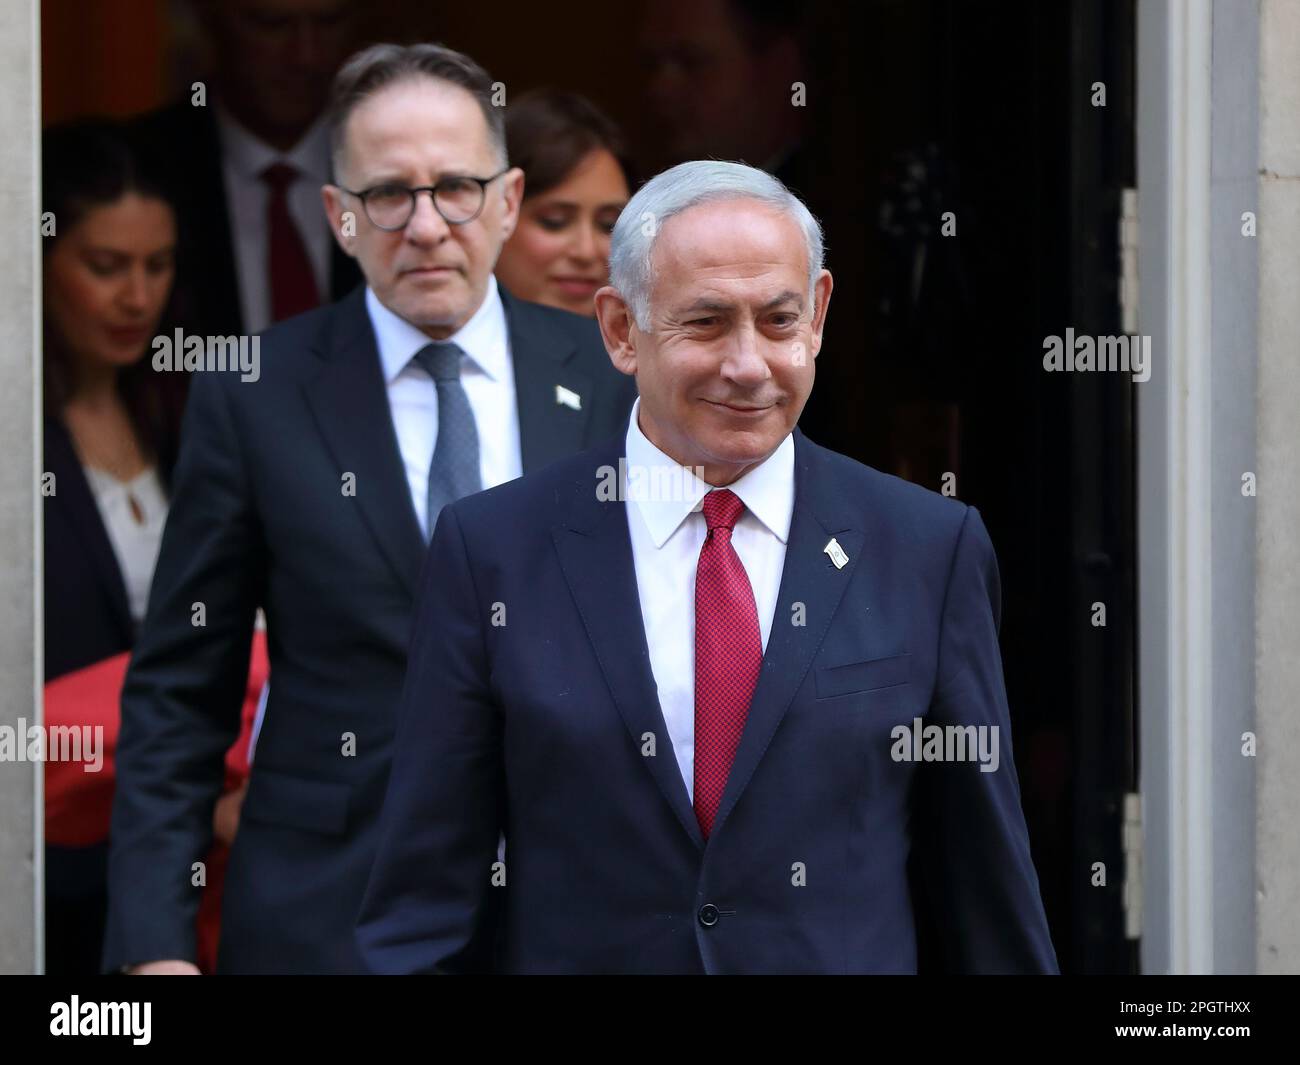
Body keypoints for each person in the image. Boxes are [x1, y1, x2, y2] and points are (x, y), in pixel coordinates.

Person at [357, 160, 1058, 974]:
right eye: (707, 322)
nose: (750, 364)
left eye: (778, 320)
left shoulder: (928, 551)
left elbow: (986, 899)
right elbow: (424, 904)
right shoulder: (494, 553)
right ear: (622, 330)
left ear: (820, 314)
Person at [104, 42, 637, 975]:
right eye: (390, 194)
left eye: (456, 188)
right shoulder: (255, 394)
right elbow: (180, 694)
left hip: (571, 914)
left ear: (507, 201)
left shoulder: (609, 378)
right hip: (323, 915)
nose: (426, 225)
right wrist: (155, 946)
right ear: (338, 217)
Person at [40, 120, 256, 975]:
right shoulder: (22, 435)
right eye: (105, 266)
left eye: (156, 265)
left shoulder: (178, 419)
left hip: (167, 871)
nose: (137, 296)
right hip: (44, 863)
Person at [131, 0, 363, 338]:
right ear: (211, 20)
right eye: (272, 24)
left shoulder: (397, 168)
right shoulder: (143, 167)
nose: (305, 55)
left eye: (328, 22)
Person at [494, 90, 632, 317]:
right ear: (500, 212)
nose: (585, 252)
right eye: (554, 222)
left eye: (609, 225)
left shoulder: (647, 350)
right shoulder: (447, 348)